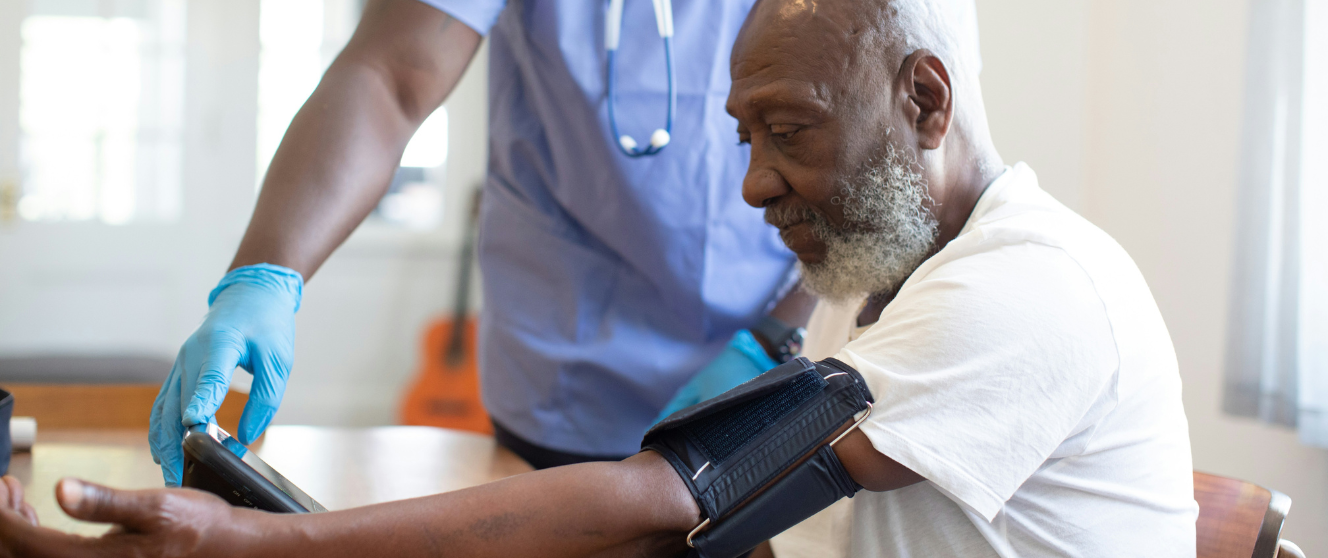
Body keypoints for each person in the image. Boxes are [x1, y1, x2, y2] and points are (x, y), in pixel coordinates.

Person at [0, 0, 1197, 555]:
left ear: (927, 102)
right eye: (746, 137)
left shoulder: (1006, 296)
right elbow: (388, 75)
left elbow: (671, 500)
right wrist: (265, 273)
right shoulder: (932, 277)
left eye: (782, 132)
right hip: (590, 411)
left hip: (696, 442)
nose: (749, 184)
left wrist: (268, 548)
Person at [149, 0, 818, 483]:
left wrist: (775, 338)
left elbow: (894, 157)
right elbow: (388, 75)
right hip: (562, 384)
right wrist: (265, 275)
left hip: (778, 370)